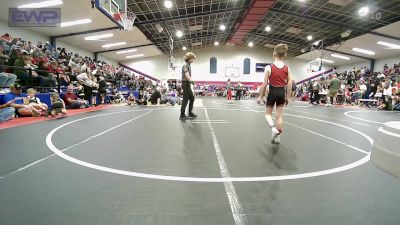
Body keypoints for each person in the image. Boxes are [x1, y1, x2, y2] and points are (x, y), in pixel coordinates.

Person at [257, 44, 292, 144]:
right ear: (284, 55)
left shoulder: (269, 67)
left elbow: (264, 84)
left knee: (268, 114)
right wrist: (288, 97)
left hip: (272, 92)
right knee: (279, 116)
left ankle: (273, 129)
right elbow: (290, 83)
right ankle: (277, 137)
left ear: (274, 54)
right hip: (281, 92)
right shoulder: (287, 68)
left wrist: (261, 96)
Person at [180, 52, 197, 120]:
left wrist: (190, 82)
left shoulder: (189, 65)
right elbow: (187, 75)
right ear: (189, 58)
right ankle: (182, 115)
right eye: (192, 58)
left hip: (187, 84)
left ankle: (190, 113)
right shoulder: (185, 65)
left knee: (192, 98)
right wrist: (191, 81)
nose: (193, 60)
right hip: (185, 83)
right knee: (185, 100)